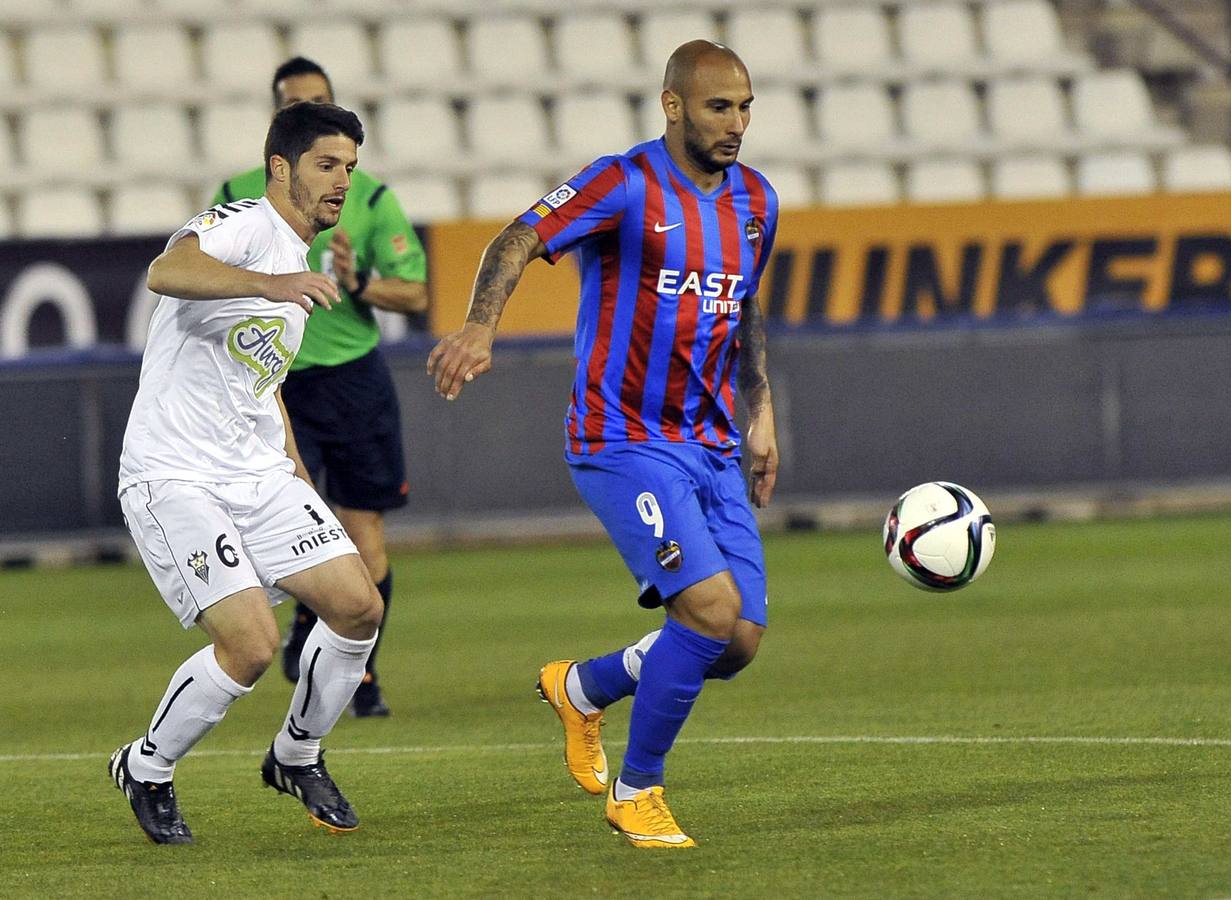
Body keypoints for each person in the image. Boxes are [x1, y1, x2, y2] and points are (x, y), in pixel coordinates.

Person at [428, 41, 780, 849]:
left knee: (737, 642)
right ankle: (636, 789)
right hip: (622, 438)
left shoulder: (756, 201)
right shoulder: (623, 183)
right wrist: (482, 326)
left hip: (713, 442)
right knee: (709, 609)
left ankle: (583, 689)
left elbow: (745, 310)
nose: (737, 123)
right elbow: (517, 237)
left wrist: (759, 413)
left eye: (746, 106)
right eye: (720, 106)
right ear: (673, 106)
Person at [111, 102, 384, 845]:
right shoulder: (244, 225)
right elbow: (167, 268)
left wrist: (295, 475)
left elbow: (258, 385)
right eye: (327, 165)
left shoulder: (303, 263)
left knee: (359, 606)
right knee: (253, 645)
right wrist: (267, 287)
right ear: (280, 169)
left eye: (350, 170)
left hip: (257, 472)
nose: (341, 182)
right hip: (175, 474)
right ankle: (147, 766)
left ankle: (296, 755)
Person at [213, 57, 429, 717]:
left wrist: (358, 280)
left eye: (317, 100)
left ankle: (357, 676)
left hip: (351, 377)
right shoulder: (241, 193)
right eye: (293, 103)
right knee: (282, 523)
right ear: (280, 120)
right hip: (275, 382)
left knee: (364, 528)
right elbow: (207, 277)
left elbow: (415, 289)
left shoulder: (364, 195)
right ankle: (308, 621)